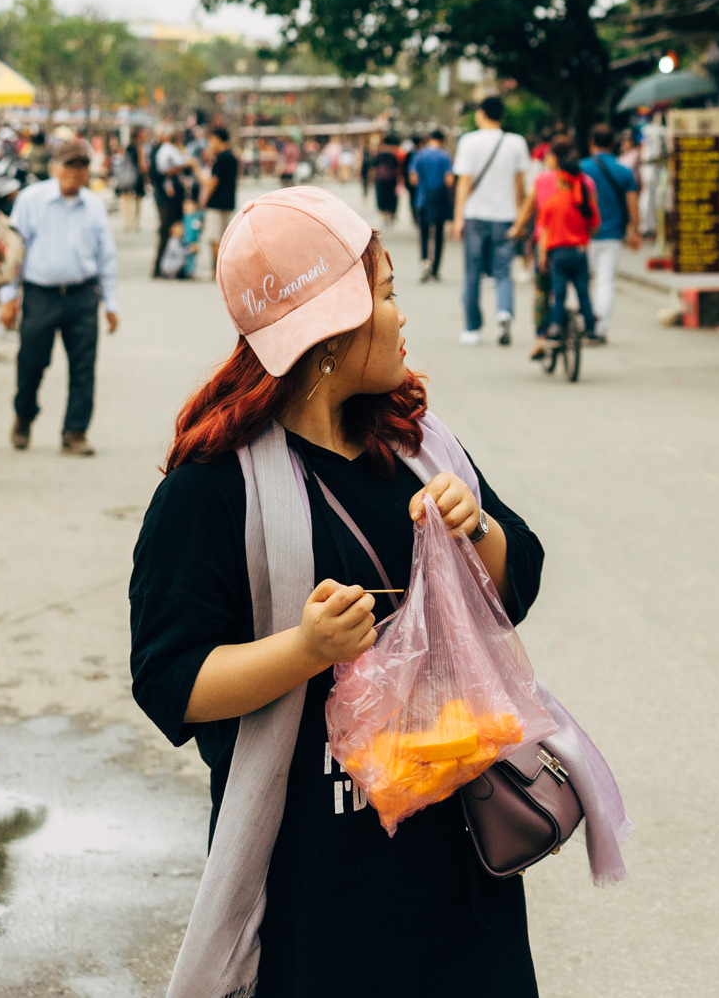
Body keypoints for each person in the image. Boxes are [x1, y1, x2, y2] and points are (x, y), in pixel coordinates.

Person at [127, 187, 571, 998]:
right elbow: (168, 679)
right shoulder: (211, 490)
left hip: (461, 872)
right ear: (332, 327)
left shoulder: (417, 445)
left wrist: (478, 531)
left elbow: (520, 582)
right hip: (317, 894)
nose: (402, 316)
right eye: (388, 293)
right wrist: (304, 650)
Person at [0, 137, 120, 458]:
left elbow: (106, 255)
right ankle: (24, 414)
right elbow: (12, 251)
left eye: (82, 166)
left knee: (83, 366)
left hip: (82, 295)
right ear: (55, 167)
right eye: (70, 165)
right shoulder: (30, 200)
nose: (76, 173)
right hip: (40, 295)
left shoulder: (94, 206)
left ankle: (75, 431)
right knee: (31, 362)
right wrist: (8, 297)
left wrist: (111, 303)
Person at [450, 97, 531, 347]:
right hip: (505, 216)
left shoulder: (469, 141)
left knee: (473, 272)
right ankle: (504, 313)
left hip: (475, 216)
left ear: (482, 114)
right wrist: (519, 214)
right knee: (503, 271)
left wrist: (458, 217)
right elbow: (520, 183)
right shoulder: (516, 142)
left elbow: (464, 182)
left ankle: (472, 328)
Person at [513, 139, 599, 359]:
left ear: (552, 158)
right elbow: (593, 221)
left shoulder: (542, 181)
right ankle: (590, 326)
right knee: (582, 291)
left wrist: (517, 229)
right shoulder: (586, 182)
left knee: (546, 293)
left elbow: (529, 209)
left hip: (551, 249)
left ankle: (544, 336)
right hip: (579, 249)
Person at [577, 125, 640, 345]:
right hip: (613, 235)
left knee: (582, 281)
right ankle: (600, 329)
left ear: (591, 143)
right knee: (606, 283)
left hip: (584, 235)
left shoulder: (581, 168)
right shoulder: (624, 171)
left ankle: (585, 323)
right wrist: (634, 230)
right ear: (613, 144)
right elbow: (633, 205)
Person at [409, 129, 453, 282]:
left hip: (422, 199)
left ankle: (425, 262)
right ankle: (435, 269)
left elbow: (413, 178)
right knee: (439, 234)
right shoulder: (445, 156)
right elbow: (449, 180)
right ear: (443, 141)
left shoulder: (419, 155)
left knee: (424, 233)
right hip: (440, 200)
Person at [197, 127, 239, 277]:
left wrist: (204, 200)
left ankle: (217, 271)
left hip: (215, 204)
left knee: (214, 237)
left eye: (211, 140)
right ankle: (224, 270)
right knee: (225, 238)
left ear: (218, 139)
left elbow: (212, 182)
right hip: (228, 202)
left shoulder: (220, 158)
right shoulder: (233, 157)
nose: (210, 143)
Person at [152, 129, 190, 279]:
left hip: (170, 200)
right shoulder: (165, 151)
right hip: (167, 202)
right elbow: (163, 171)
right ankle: (161, 267)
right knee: (166, 233)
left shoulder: (164, 150)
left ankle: (173, 267)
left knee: (172, 234)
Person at [371, 133, 403, 229]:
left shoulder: (378, 153)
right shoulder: (394, 155)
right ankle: (390, 216)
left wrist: (373, 178)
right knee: (391, 198)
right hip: (392, 180)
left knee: (382, 198)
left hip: (380, 180)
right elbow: (397, 169)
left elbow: (374, 167)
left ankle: (384, 217)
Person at [114, 136, 144, 233]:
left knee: (126, 200)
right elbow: (142, 165)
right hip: (136, 177)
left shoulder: (126, 151)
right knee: (135, 201)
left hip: (126, 179)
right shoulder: (139, 150)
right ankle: (135, 222)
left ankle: (128, 222)